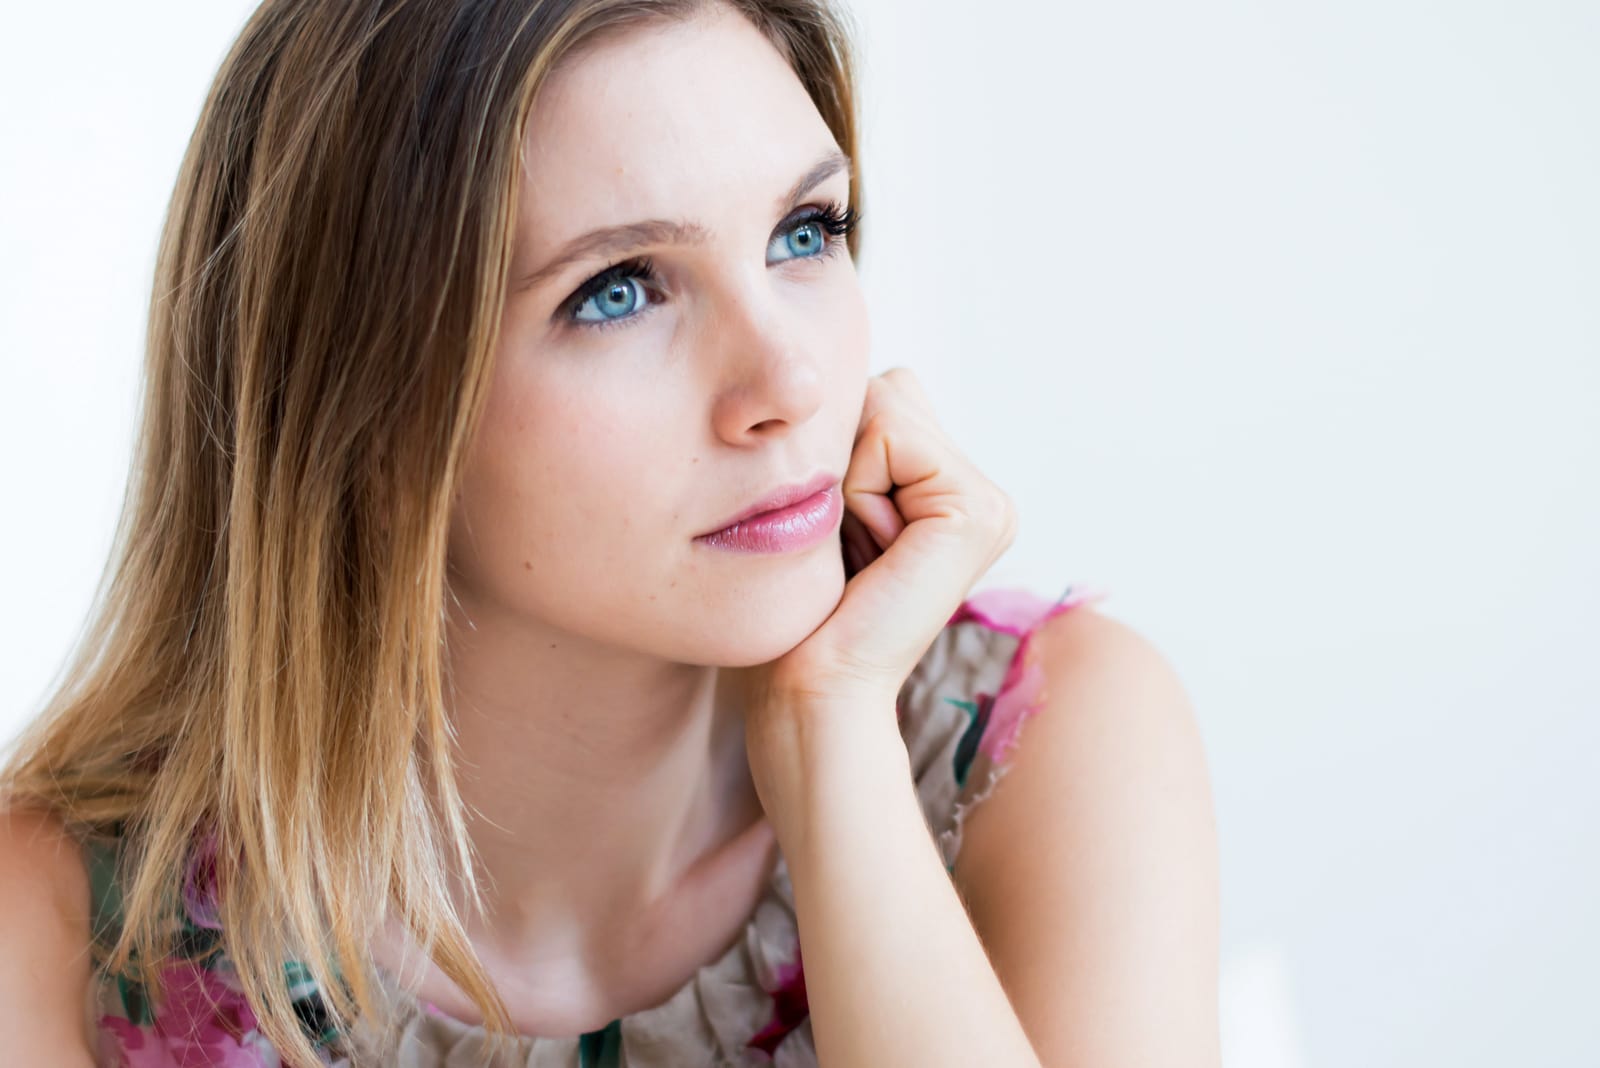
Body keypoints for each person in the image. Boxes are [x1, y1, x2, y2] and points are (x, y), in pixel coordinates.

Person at [0, 0, 1220, 1064]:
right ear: (358, 409)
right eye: (619, 290)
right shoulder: (61, 924)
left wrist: (832, 730)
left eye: (805, 232)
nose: (789, 381)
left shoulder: (1040, 738)